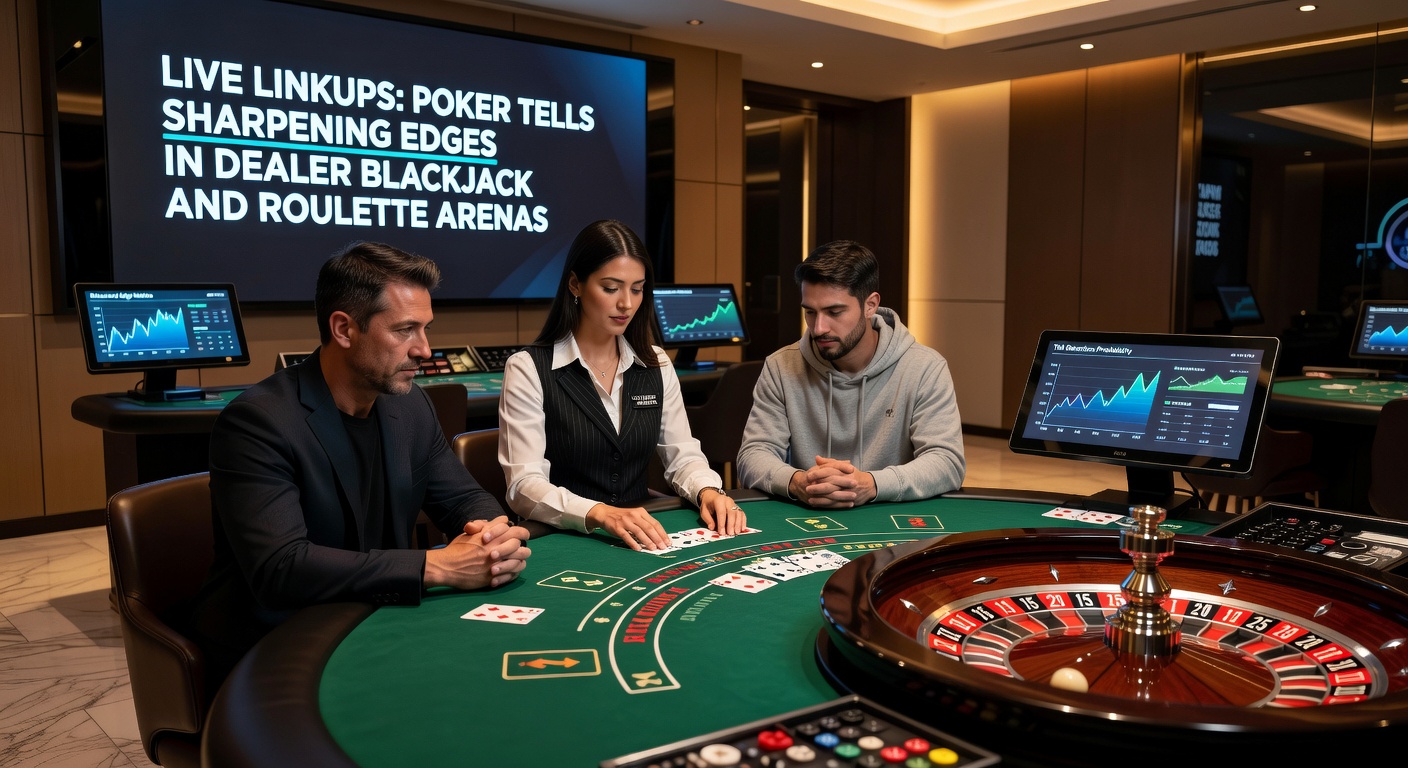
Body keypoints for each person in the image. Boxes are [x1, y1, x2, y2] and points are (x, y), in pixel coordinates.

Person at [191, 242, 531, 683]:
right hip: (276, 639)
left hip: (377, 617)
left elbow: (462, 497)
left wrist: (492, 535)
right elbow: (281, 568)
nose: (424, 350)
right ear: (344, 329)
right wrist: (437, 566)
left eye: (425, 329)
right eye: (405, 330)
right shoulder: (258, 422)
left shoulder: (410, 407)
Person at [498, 219, 745, 550]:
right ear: (575, 284)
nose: (626, 303)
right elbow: (524, 486)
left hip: (638, 537)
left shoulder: (655, 363)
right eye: (611, 288)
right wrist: (600, 514)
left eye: (637, 288)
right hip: (561, 540)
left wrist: (708, 490)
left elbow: (682, 455)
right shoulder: (528, 368)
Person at [736, 240, 965, 507]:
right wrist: (799, 482)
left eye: (834, 312)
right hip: (808, 519)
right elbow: (753, 455)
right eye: (810, 312)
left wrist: (871, 485)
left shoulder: (925, 367)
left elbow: (947, 462)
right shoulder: (780, 366)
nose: (818, 328)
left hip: (891, 522)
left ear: (870, 305)